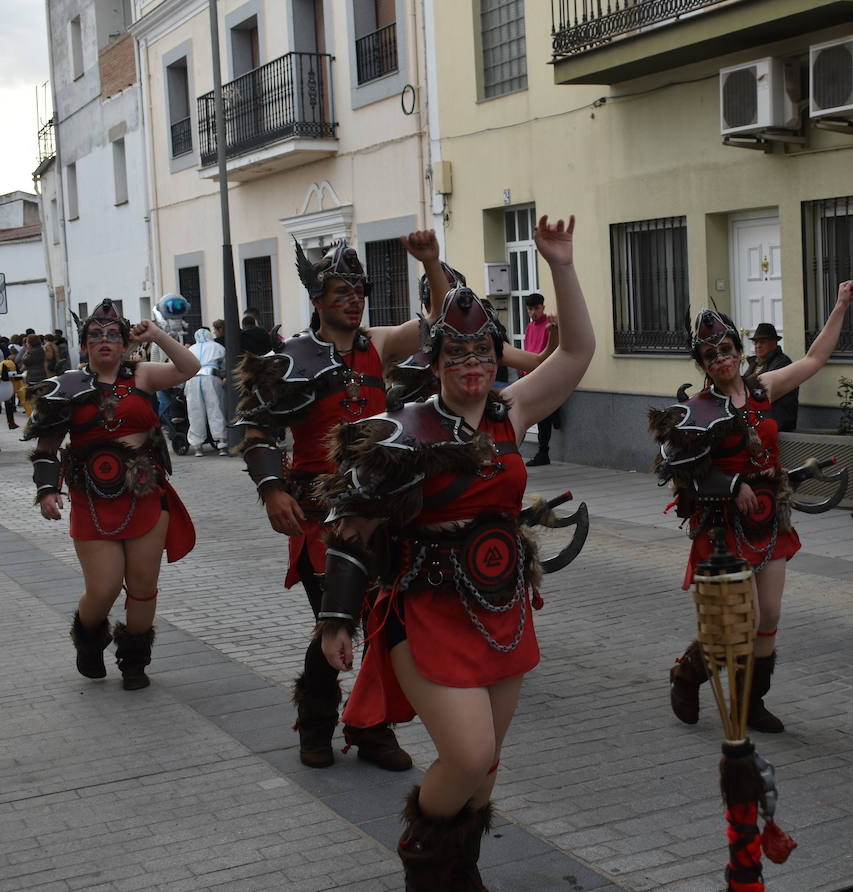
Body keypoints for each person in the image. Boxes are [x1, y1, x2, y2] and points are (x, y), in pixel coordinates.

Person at [314, 216, 593, 887]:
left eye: (482, 355)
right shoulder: (401, 431)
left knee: (487, 762)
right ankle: (422, 858)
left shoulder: (511, 411)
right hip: (428, 611)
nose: (472, 368)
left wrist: (560, 263)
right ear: (435, 362)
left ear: (495, 357)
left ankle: (457, 869)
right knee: (465, 756)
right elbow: (352, 524)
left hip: (503, 606)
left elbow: (579, 352)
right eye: (457, 356)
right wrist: (336, 618)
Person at [234, 233, 454, 772]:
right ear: (317, 299)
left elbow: (442, 321)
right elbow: (256, 429)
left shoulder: (376, 346)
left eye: (359, 290)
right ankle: (315, 722)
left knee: (381, 622)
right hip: (321, 519)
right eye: (340, 290)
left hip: (383, 512)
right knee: (337, 617)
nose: (353, 300)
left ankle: (369, 726)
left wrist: (428, 261)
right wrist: (272, 490)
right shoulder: (289, 359)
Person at [655, 281, 853, 733]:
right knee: (735, 622)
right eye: (712, 356)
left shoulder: (763, 388)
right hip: (722, 525)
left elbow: (814, 359)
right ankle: (687, 674)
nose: (722, 359)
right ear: (704, 365)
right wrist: (730, 485)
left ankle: (751, 701)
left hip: (769, 520)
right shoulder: (696, 409)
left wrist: (840, 305)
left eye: (727, 349)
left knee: (768, 615)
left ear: (739, 350)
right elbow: (677, 467)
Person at [25, 300, 201, 689]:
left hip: (146, 495)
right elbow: (46, 449)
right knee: (103, 588)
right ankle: (89, 640)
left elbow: (190, 368)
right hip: (92, 499)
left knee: (142, 586)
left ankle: (134, 660)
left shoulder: (141, 375)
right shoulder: (67, 387)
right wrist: (47, 491)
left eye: (112, 335)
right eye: (95, 335)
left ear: (124, 344)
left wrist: (155, 334)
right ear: (84, 344)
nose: (104, 341)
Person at [521, 292, 559, 465]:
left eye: (536, 308)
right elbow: (528, 349)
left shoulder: (549, 326)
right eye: (530, 309)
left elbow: (553, 350)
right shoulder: (529, 327)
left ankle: (543, 452)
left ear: (543, 307)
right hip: (529, 375)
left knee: (543, 417)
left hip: (545, 376)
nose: (533, 312)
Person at [744, 322, 797, 432]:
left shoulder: (782, 363)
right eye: (756, 342)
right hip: (759, 422)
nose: (758, 345)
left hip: (778, 424)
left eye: (762, 342)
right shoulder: (754, 363)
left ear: (774, 343)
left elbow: (760, 388)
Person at [184, 328, 228, 456]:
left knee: (195, 411)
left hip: (193, 379)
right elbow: (224, 365)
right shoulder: (217, 347)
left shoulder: (191, 349)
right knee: (216, 408)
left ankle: (197, 446)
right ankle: (222, 442)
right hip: (211, 378)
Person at [19, 334, 49, 416]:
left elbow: (25, 361)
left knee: (32, 399)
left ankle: (36, 415)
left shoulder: (31, 352)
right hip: (43, 376)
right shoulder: (43, 350)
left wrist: (26, 351)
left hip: (33, 378)